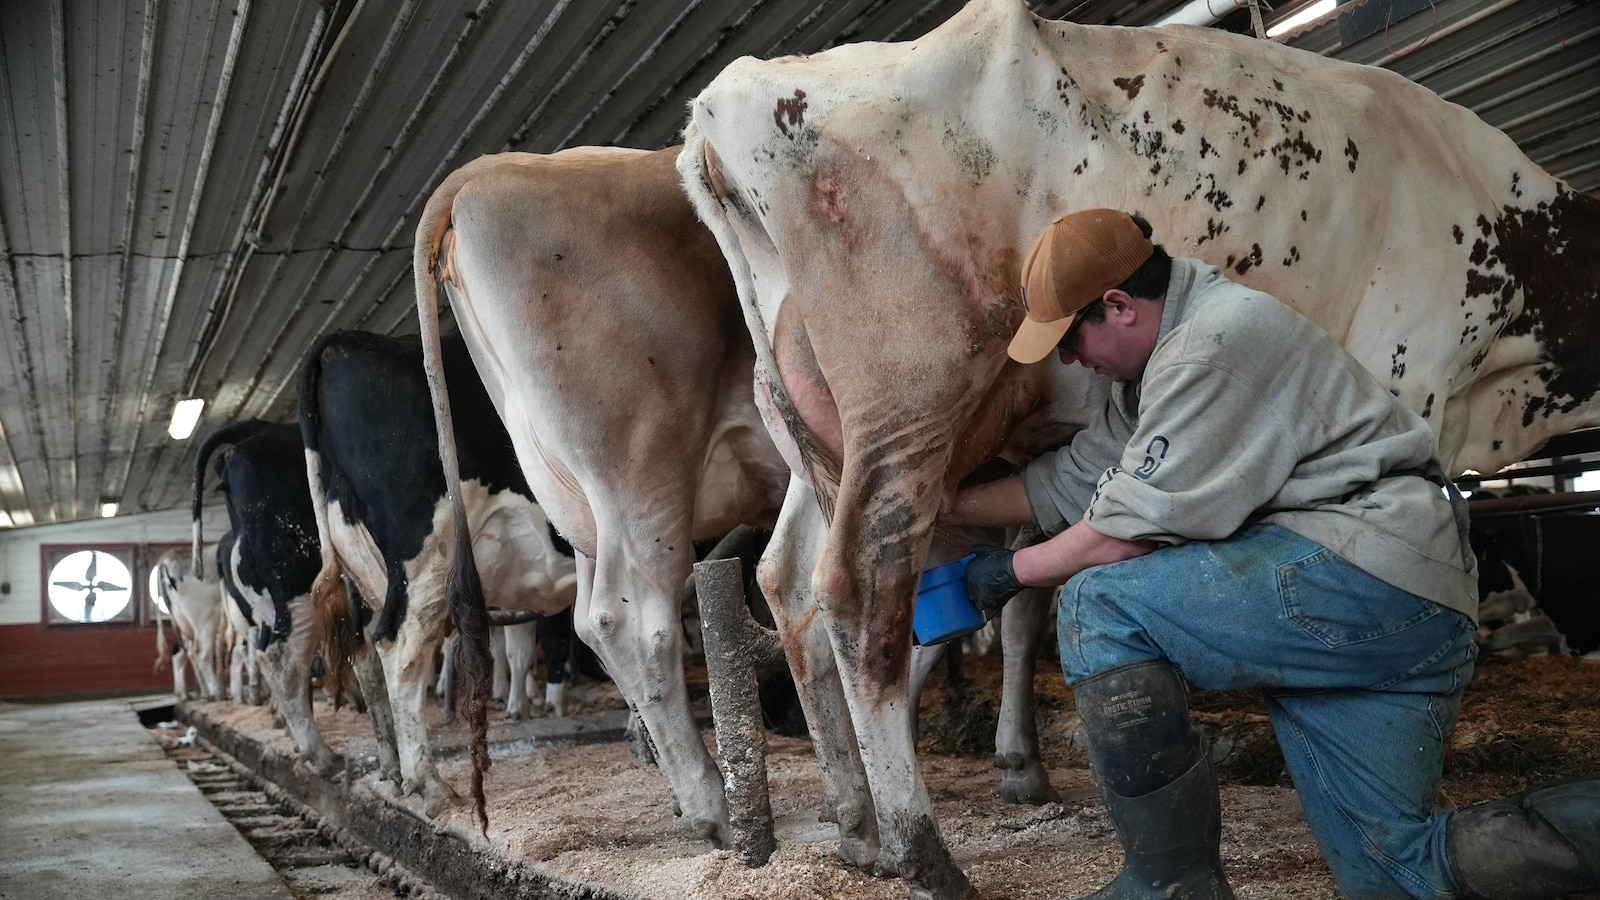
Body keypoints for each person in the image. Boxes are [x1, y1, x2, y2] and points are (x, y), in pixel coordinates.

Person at [943, 208, 1600, 899]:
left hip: (1365, 571)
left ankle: (1171, 885)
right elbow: (1077, 480)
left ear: (1118, 306)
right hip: (1402, 601)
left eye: (1071, 341)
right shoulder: (1154, 371)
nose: (1071, 361)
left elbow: (1120, 532)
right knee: (1395, 873)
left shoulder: (1214, 341)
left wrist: (1010, 571)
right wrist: (950, 504)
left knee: (1099, 606)